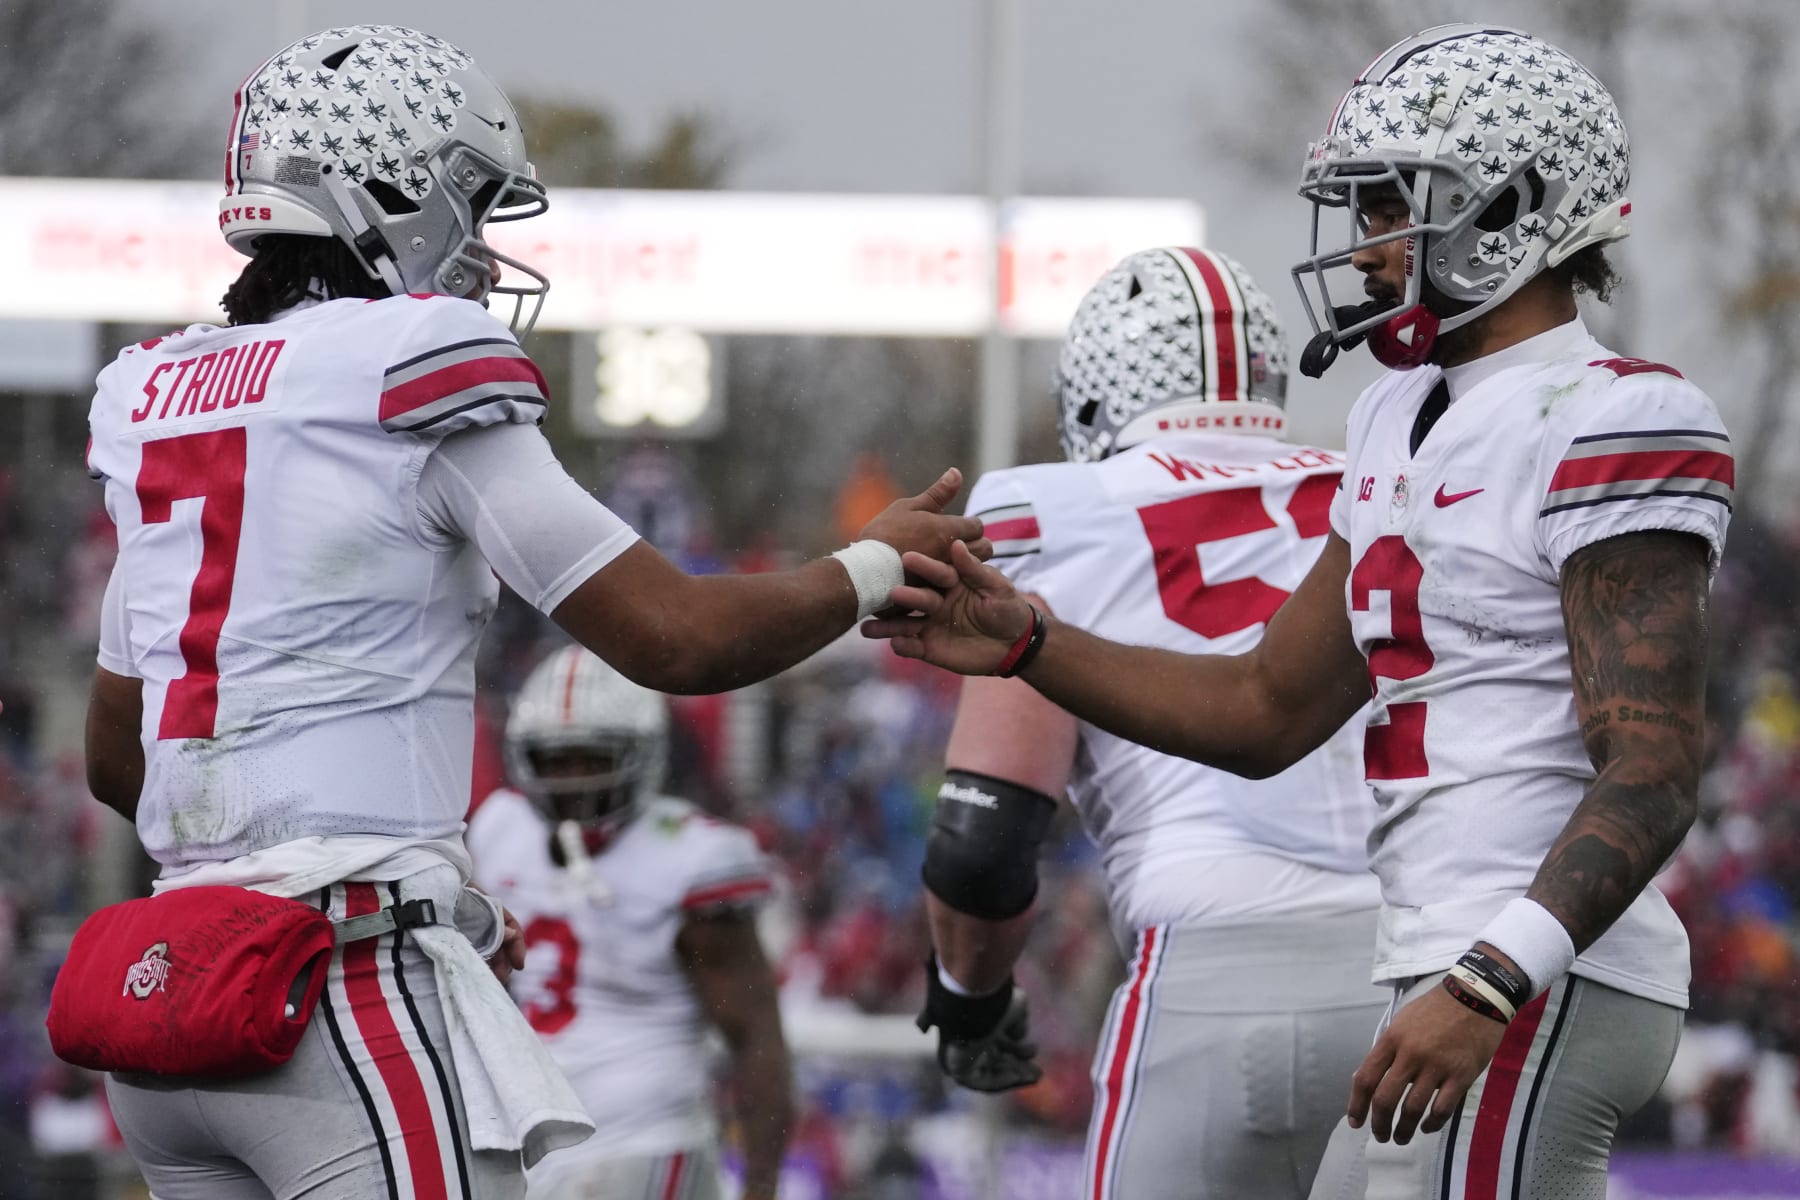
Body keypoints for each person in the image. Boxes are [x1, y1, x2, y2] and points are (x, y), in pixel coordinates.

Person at [81, 24, 984, 1200]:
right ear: (395, 193)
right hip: (332, 987)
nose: (482, 246)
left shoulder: (156, 394)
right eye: (472, 204)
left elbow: (119, 756)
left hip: (172, 1006)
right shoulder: (408, 360)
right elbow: (676, 636)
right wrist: (867, 566)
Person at [867, 24, 1733, 1199]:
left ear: (1513, 206)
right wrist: (1029, 641)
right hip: (1433, 957)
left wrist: (1492, 978)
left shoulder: (1615, 415)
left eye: (1393, 205)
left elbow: (1656, 767)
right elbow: (1264, 706)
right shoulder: (1392, 418)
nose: (1367, 245)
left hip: (1534, 972)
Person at [913, 246, 1385, 1199]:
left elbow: (982, 845)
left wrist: (969, 999)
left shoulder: (1047, 510)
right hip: (1423, 971)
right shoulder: (1377, 480)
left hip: (1216, 968)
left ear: (1091, 393)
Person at [468, 647, 790, 1200]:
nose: (572, 780)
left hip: (644, 1139)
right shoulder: (499, 827)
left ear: (642, 753)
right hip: (524, 1136)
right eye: (555, 760)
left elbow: (755, 1035)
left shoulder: (691, 857)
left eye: (593, 759)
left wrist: (760, 1185)